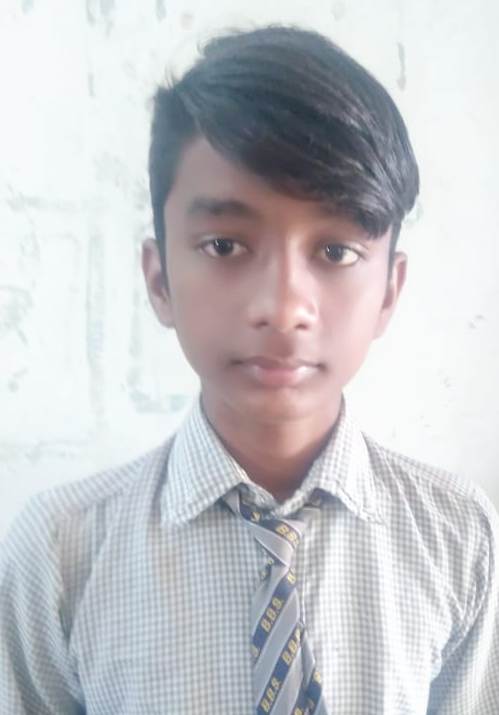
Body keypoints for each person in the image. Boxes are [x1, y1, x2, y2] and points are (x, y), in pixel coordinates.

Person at [1, 24, 498, 715]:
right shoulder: (61, 553)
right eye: (225, 245)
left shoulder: (459, 538)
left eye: (335, 251)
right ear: (159, 279)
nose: (284, 307)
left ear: (389, 290)